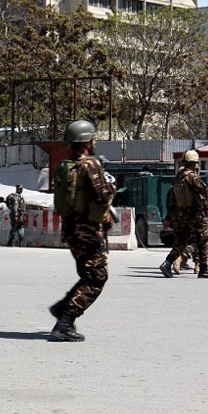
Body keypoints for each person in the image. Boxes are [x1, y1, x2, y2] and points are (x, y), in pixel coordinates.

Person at [49, 120, 116, 342]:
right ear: (86, 141)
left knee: (88, 274)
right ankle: (65, 322)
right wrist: (111, 184)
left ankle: (63, 308)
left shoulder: (66, 166)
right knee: (97, 277)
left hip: (72, 230)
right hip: (88, 231)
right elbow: (104, 195)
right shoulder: (91, 165)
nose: (95, 142)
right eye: (93, 138)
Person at [161, 150, 208, 279]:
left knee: (181, 241)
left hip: (182, 215)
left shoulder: (178, 177)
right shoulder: (192, 177)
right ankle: (203, 269)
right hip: (195, 215)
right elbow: (204, 191)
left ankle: (167, 263)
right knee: (204, 240)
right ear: (194, 163)